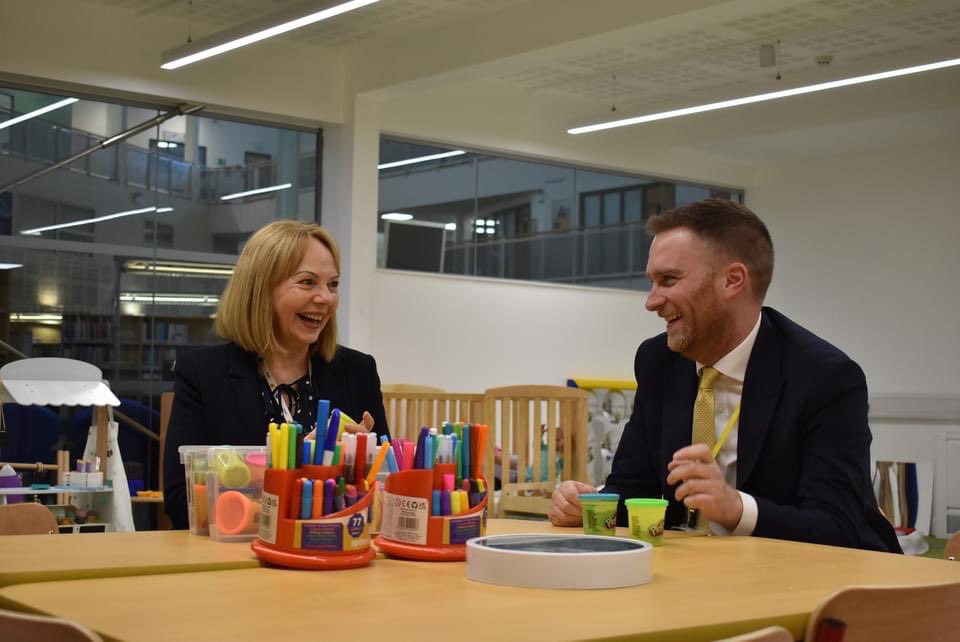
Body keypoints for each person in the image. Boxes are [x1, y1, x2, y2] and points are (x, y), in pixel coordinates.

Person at [549, 199, 900, 553]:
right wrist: (591, 504)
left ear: (732, 280)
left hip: (818, 584)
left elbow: (837, 528)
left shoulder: (825, 376)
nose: (651, 302)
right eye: (652, 282)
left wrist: (736, 509)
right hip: (698, 577)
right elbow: (632, 490)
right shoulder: (658, 361)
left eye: (668, 280)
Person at [163, 220, 389, 529]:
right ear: (261, 289)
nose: (325, 298)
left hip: (338, 559)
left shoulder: (358, 371)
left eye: (333, 284)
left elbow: (385, 494)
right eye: (308, 282)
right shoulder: (204, 374)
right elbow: (180, 503)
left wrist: (360, 463)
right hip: (241, 567)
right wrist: (297, 463)